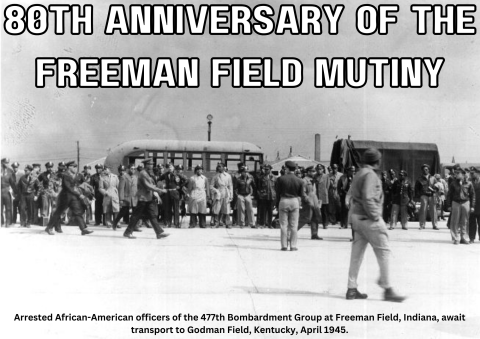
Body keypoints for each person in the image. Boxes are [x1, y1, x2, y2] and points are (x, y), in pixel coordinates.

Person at [346, 148, 405, 302]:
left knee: (356, 255)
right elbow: (368, 197)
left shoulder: (359, 173)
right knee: (384, 252)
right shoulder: (371, 175)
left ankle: (351, 289)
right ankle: (387, 288)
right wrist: (376, 216)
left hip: (357, 218)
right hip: (369, 219)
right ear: (377, 161)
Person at [123, 159, 168, 239]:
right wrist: (160, 190)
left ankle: (159, 232)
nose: (151, 166)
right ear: (146, 165)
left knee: (152, 215)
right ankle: (128, 232)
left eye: (152, 164)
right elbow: (148, 186)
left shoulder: (147, 173)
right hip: (143, 198)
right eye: (150, 164)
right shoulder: (143, 173)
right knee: (136, 216)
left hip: (148, 198)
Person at [45, 161, 93, 235]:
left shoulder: (74, 175)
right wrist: (79, 194)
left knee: (78, 212)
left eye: (76, 167)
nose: (75, 168)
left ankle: (83, 229)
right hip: (65, 197)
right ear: (69, 167)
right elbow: (69, 187)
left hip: (73, 197)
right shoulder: (65, 175)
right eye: (74, 167)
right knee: (58, 212)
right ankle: (49, 228)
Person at [275, 160, 306, 251]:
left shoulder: (280, 179)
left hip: (284, 200)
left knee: (283, 225)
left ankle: (284, 245)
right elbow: (301, 194)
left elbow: (277, 193)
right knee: (294, 225)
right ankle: (293, 246)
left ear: (287, 168)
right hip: (295, 201)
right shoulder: (299, 180)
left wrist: (277, 204)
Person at [447, 167, 475, 245]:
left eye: (458, 173)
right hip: (455, 202)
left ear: (463, 174)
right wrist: (449, 205)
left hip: (465, 202)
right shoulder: (453, 183)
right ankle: (456, 238)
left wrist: (472, 206)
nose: (456, 175)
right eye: (455, 173)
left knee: (465, 221)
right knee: (455, 221)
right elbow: (449, 195)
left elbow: (473, 195)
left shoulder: (469, 183)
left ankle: (464, 238)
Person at [298, 166, 322, 240]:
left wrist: (318, 201)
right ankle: (292, 231)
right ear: (308, 172)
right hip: (308, 202)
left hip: (315, 200)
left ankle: (314, 234)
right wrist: (307, 200)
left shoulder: (313, 180)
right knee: (306, 218)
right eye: (312, 171)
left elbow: (315, 191)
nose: (314, 173)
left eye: (314, 171)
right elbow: (303, 193)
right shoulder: (304, 181)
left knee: (316, 217)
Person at [159, 163, 187, 228]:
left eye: (171, 167)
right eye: (168, 167)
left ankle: (176, 224)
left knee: (176, 208)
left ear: (173, 168)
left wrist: (180, 186)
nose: (169, 168)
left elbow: (186, 180)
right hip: (168, 192)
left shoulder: (177, 174)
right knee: (167, 209)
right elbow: (158, 179)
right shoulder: (165, 174)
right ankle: (168, 223)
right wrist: (162, 186)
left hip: (175, 192)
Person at [415, 164, 439, 230]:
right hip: (424, 196)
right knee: (423, 210)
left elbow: (437, 186)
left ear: (428, 170)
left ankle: (435, 225)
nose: (425, 170)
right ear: (422, 170)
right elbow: (416, 189)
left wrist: (435, 190)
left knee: (433, 211)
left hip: (432, 195)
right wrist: (419, 196)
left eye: (426, 169)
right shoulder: (419, 179)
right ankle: (422, 225)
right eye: (423, 169)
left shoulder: (433, 178)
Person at [210, 163, 233, 227]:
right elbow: (211, 186)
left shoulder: (228, 176)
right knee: (216, 208)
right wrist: (216, 191)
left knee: (227, 208)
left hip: (226, 193)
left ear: (223, 167)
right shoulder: (215, 176)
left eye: (220, 166)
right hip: (218, 193)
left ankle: (227, 223)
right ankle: (216, 223)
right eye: (218, 166)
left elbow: (230, 186)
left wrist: (231, 195)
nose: (218, 168)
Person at [112, 165, 134, 230]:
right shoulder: (123, 177)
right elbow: (121, 189)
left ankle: (131, 225)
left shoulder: (128, 177)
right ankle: (115, 222)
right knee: (123, 212)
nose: (122, 172)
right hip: (125, 198)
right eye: (121, 170)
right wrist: (121, 199)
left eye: (123, 170)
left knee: (128, 211)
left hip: (131, 197)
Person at [256, 164, 276, 229]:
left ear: (270, 170)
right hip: (264, 196)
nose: (266, 171)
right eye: (265, 169)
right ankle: (263, 223)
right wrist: (260, 195)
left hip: (271, 196)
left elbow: (276, 187)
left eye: (267, 169)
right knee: (263, 211)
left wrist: (275, 195)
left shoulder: (274, 177)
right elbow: (258, 187)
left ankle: (269, 224)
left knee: (270, 211)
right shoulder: (261, 178)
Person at [1, 158, 17, 227]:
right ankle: (1, 222)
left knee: (8, 208)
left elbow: (13, 183)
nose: (7, 164)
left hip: (7, 190)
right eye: (5, 163)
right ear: (2, 163)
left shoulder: (10, 171)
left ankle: (8, 223)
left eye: (8, 163)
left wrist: (15, 192)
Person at [314, 164, 330, 229]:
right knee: (317, 210)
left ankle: (325, 223)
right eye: (318, 169)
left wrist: (325, 192)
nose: (319, 170)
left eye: (320, 169)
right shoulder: (315, 176)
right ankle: (316, 223)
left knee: (324, 211)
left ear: (323, 169)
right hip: (317, 195)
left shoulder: (326, 176)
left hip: (324, 195)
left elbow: (328, 186)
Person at [468, 167, 480, 243]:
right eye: (471, 173)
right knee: (471, 222)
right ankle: (471, 238)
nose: (472, 174)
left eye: (473, 173)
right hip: (471, 205)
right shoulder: (468, 182)